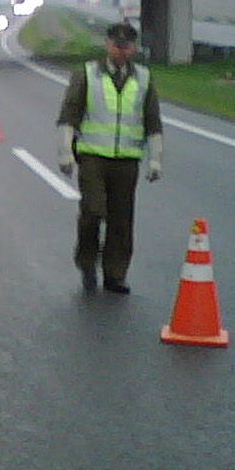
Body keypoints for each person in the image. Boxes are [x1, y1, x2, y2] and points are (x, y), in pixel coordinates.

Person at [56, 22, 163, 294]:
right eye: (117, 46)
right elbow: (70, 115)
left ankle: (115, 274)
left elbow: (153, 122)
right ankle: (87, 262)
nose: (122, 51)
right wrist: (66, 151)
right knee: (93, 211)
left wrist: (155, 158)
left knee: (121, 219)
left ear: (134, 48)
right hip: (93, 156)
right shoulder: (87, 74)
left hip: (127, 159)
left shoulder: (144, 78)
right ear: (108, 45)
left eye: (127, 47)